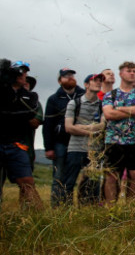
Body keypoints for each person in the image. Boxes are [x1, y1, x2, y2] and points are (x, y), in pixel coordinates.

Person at [102, 61, 135, 204]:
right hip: (113, 141)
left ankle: (132, 209)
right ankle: (111, 209)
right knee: (112, 176)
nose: (132, 73)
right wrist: (132, 111)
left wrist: (119, 109)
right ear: (121, 74)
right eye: (129, 70)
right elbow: (109, 114)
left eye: (134, 71)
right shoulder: (110, 95)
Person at [0, 60, 43, 209]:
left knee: (27, 183)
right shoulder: (3, 90)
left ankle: (40, 219)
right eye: (20, 71)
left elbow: (30, 114)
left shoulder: (30, 96)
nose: (23, 75)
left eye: (25, 72)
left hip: (16, 144)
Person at [43, 67, 85, 207]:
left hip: (80, 142)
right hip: (60, 142)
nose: (70, 77)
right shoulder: (53, 99)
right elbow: (48, 124)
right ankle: (56, 207)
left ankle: (71, 205)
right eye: (66, 76)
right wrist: (48, 147)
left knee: (74, 175)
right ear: (60, 80)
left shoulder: (83, 95)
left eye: (72, 75)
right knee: (59, 175)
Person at [63, 73, 106, 205]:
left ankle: (88, 210)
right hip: (75, 148)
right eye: (95, 80)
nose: (98, 83)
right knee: (69, 182)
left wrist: (81, 127)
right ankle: (65, 209)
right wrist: (92, 131)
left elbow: (103, 126)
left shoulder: (103, 105)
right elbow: (69, 128)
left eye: (100, 81)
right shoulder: (74, 103)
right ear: (86, 85)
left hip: (94, 150)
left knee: (92, 183)